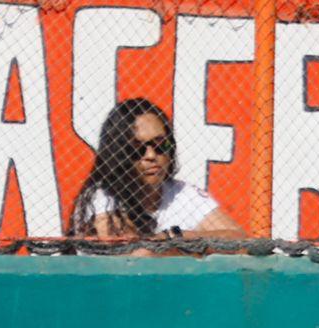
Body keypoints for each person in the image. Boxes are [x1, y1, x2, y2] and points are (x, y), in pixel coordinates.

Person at [68, 98, 245, 246]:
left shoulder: (183, 193)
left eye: (161, 145)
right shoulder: (102, 198)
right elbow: (136, 256)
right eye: (137, 149)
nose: (151, 156)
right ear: (118, 153)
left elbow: (241, 240)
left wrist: (176, 237)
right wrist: (196, 245)